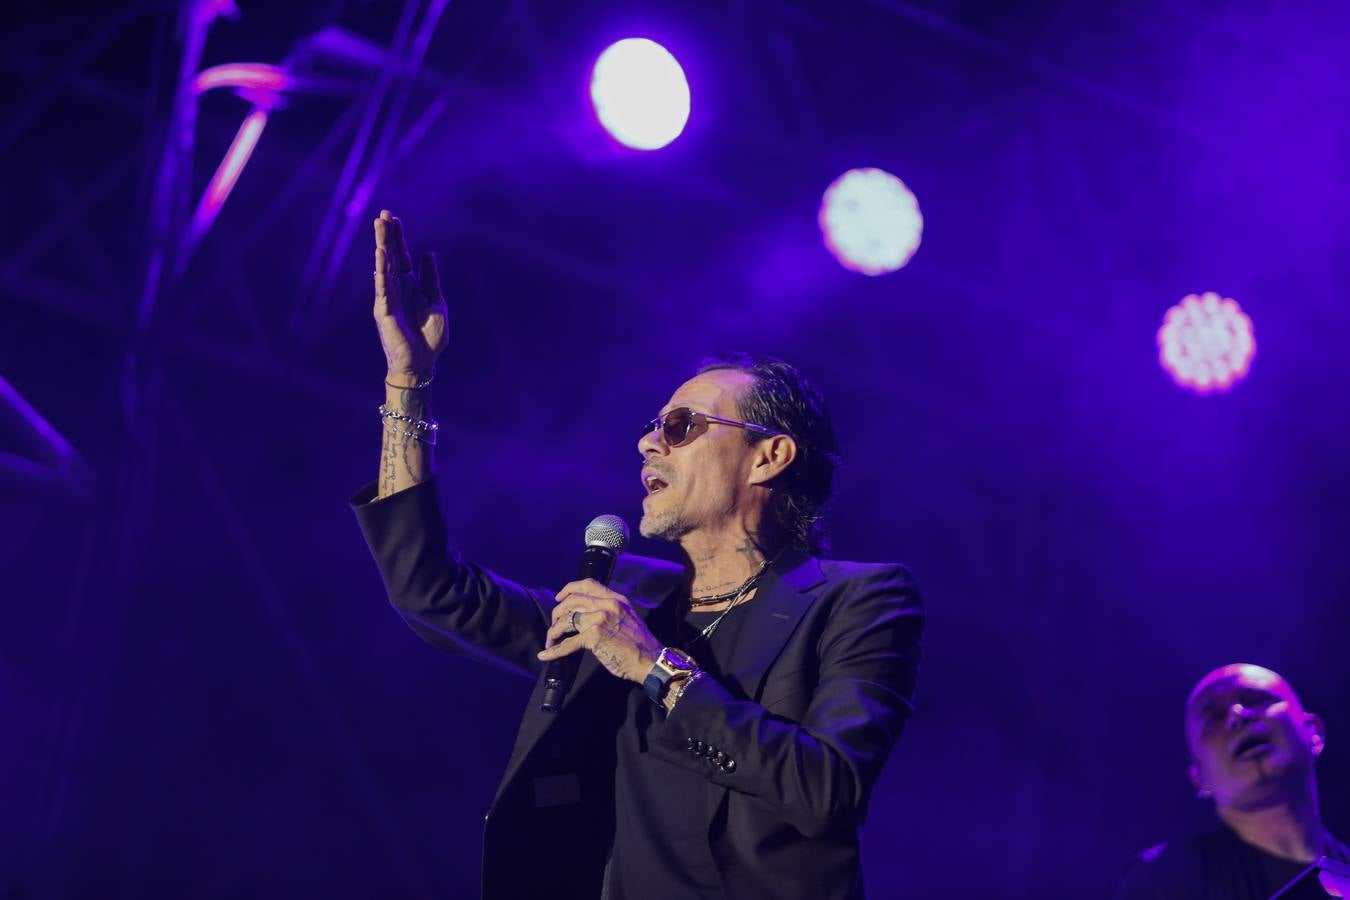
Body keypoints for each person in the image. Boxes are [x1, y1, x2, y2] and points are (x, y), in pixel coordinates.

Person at [351, 210, 925, 900]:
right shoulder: (626, 603)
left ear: (770, 456)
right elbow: (432, 591)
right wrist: (407, 381)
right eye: (653, 428)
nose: (649, 443)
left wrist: (655, 668)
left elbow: (827, 787)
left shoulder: (855, 601)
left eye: (681, 427)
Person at [1115, 663, 1349, 900]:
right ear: (1200, 776)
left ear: (1313, 732)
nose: (1237, 714)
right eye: (1213, 718)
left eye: (1257, 699)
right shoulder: (1162, 881)